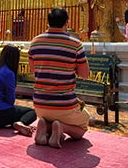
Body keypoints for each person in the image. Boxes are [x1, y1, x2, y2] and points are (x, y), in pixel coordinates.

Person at [30, 8, 90, 149]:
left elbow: (33, 70)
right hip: (64, 105)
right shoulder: (75, 44)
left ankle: (46, 126)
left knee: (51, 115)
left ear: (48, 22)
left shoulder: (35, 42)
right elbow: (85, 74)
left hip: (40, 104)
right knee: (83, 125)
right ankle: (61, 127)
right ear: (67, 23)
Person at [0, 45, 37, 135]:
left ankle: (17, 123)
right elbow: (10, 100)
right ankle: (20, 123)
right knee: (31, 112)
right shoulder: (8, 73)